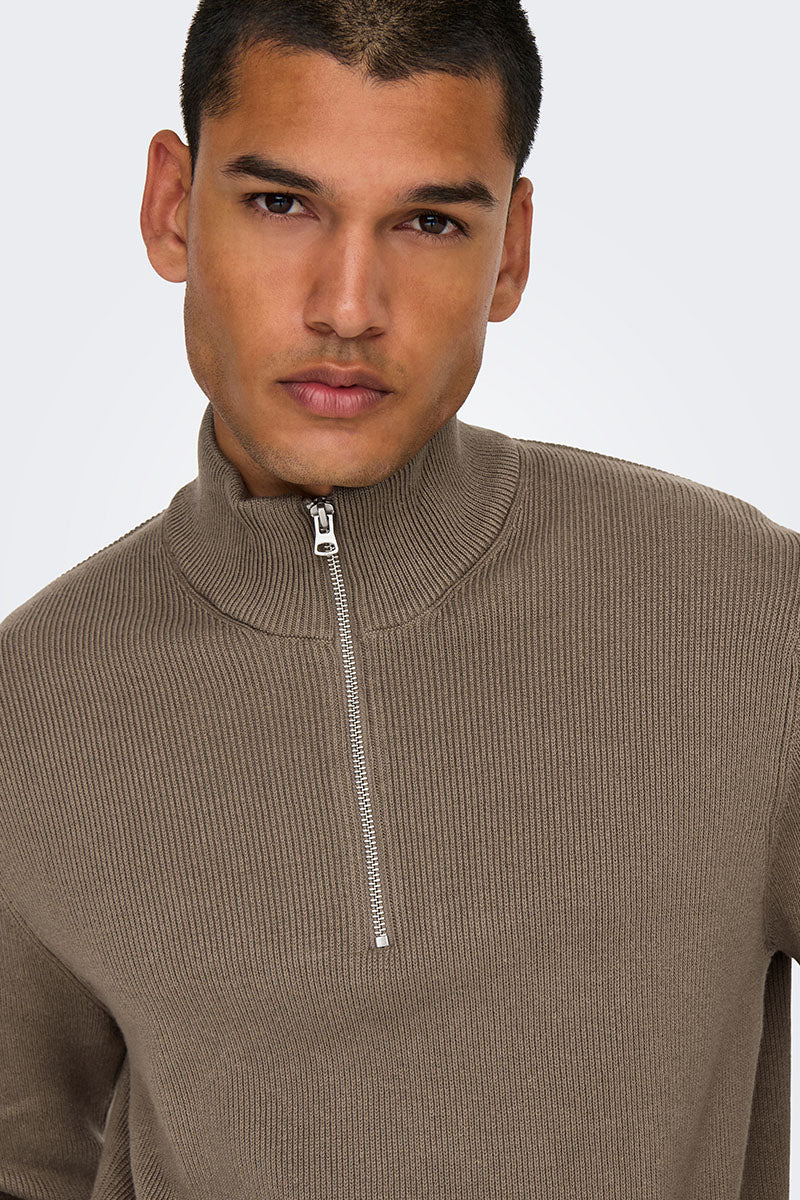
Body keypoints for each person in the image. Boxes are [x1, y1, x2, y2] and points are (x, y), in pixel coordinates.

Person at [1, 1, 798, 1196]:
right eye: (282, 203)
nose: (346, 305)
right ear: (173, 206)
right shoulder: (29, 707)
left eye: (427, 221)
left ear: (509, 252)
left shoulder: (747, 615)